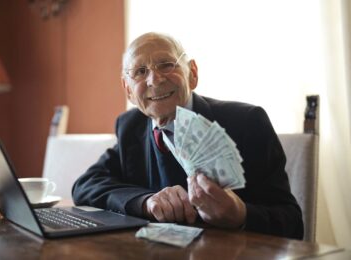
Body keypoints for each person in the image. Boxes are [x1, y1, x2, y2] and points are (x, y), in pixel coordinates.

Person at [72, 32, 303, 239]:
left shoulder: (247, 122)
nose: (155, 79)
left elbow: (292, 223)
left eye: (166, 65)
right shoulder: (131, 126)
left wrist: (240, 214)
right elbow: (86, 185)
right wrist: (146, 202)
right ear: (128, 90)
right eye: (141, 72)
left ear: (192, 73)